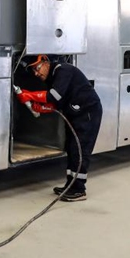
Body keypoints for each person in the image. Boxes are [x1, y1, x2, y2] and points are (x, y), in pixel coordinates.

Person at [15, 55, 103, 202]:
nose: (36, 73)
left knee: (80, 150)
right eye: (34, 71)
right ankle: (71, 185)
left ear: (46, 62)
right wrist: (42, 107)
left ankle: (79, 190)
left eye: (37, 68)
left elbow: (54, 96)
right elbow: (56, 102)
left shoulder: (63, 70)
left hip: (87, 113)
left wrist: (29, 95)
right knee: (71, 148)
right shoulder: (52, 77)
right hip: (75, 114)